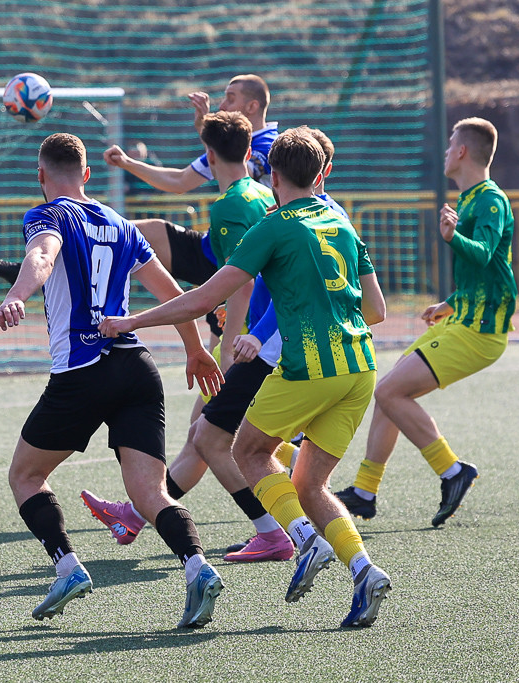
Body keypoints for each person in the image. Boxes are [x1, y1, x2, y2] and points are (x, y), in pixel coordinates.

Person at [99, 126, 392, 628]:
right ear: (321, 174)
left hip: (310, 368)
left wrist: (131, 321)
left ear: (272, 174)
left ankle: (303, 541)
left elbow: (204, 298)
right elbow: (376, 309)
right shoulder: (344, 223)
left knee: (245, 450)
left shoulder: (273, 226)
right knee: (312, 483)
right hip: (360, 368)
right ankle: (364, 570)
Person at [0, 132, 225, 628]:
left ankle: (67, 566)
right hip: (136, 368)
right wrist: (195, 348)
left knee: (26, 476)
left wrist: (17, 293)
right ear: (88, 175)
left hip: (83, 372)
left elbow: (42, 255)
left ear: (42, 177)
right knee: (150, 493)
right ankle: (198, 567)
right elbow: (170, 290)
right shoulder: (120, 224)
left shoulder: (48, 215)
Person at [335, 117, 516, 528]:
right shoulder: (472, 199)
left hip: (481, 331)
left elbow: (485, 255)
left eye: (451, 142)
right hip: (464, 320)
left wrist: (455, 238)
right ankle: (364, 491)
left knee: (390, 392)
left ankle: (453, 471)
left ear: (462, 152)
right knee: (389, 392)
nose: (447, 148)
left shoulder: (489, 200)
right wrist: (449, 303)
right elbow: (486, 274)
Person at [0, 74, 278, 295]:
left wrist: (206, 128)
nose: (222, 104)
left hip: (253, 256)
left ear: (252, 106)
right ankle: (33, 273)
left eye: (230, 98)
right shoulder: (235, 145)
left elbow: (239, 176)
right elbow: (179, 181)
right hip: (217, 245)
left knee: (230, 345)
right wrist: (127, 162)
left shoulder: (268, 146)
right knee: (126, 234)